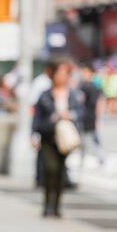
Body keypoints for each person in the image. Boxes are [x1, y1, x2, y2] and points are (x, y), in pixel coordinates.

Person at [32, 59, 83, 218]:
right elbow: (37, 117)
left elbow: (81, 114)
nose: (61, 76)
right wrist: (34, 133)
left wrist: (70, 116)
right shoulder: (45, 95)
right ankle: (47, 204)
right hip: (49, 136)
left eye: (64, 73)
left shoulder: (74, 94)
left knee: (61, 172)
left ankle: (56, 206)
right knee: (50, 169)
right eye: (58, 73)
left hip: (66, 138)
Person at [79, 63, 106, 167]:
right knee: (86, 139)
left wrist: (98, 118)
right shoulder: (84, 85)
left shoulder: (91, 86)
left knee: (92, 139)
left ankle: (101, 157)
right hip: (85, 117)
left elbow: (97, 103)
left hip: (90, 117)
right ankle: (85, 158)